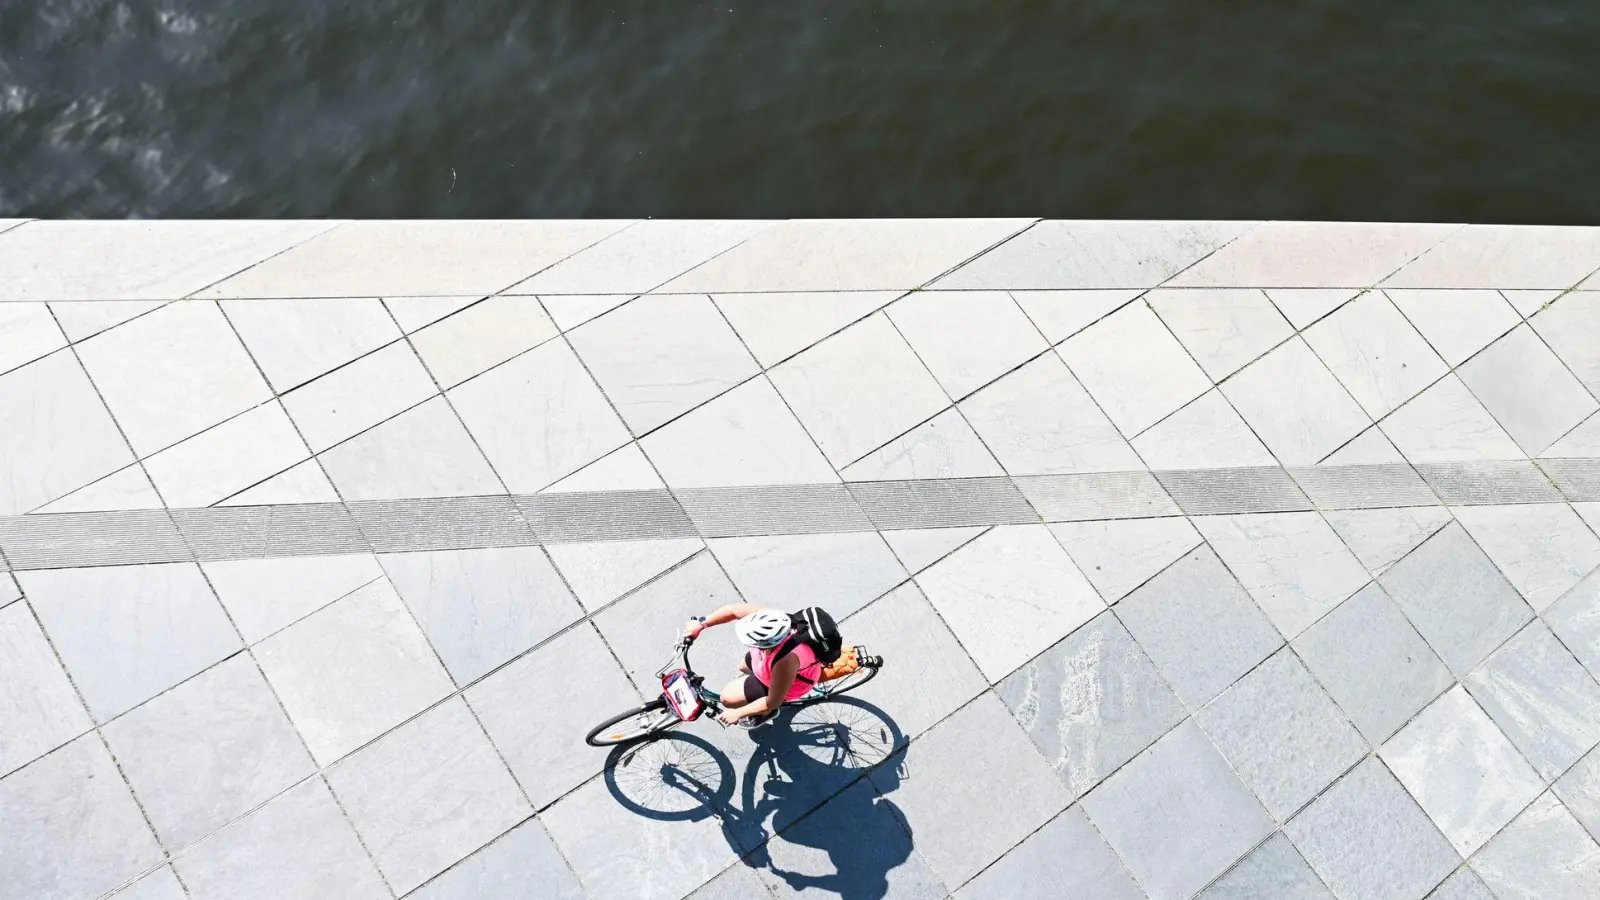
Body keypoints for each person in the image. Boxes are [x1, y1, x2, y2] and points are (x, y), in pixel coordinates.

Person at [683, 603, 822, 729]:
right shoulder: (768, 619)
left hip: (792, 681)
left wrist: (738, 713)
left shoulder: (786, 661)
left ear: (765, 645)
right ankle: (753, 689)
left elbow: (773, 701)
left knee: (727, 698)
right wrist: (702, 624)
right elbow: (734, 610)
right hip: (768, 662)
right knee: (743, 666)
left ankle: (766, 714)